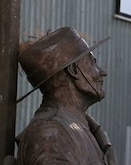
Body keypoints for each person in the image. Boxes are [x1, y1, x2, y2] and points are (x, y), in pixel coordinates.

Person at [15, 27, 118, 165]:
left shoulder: (81, 127)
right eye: (93, 62)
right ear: (74, 70)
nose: (102, 72)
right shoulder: (50, 136)